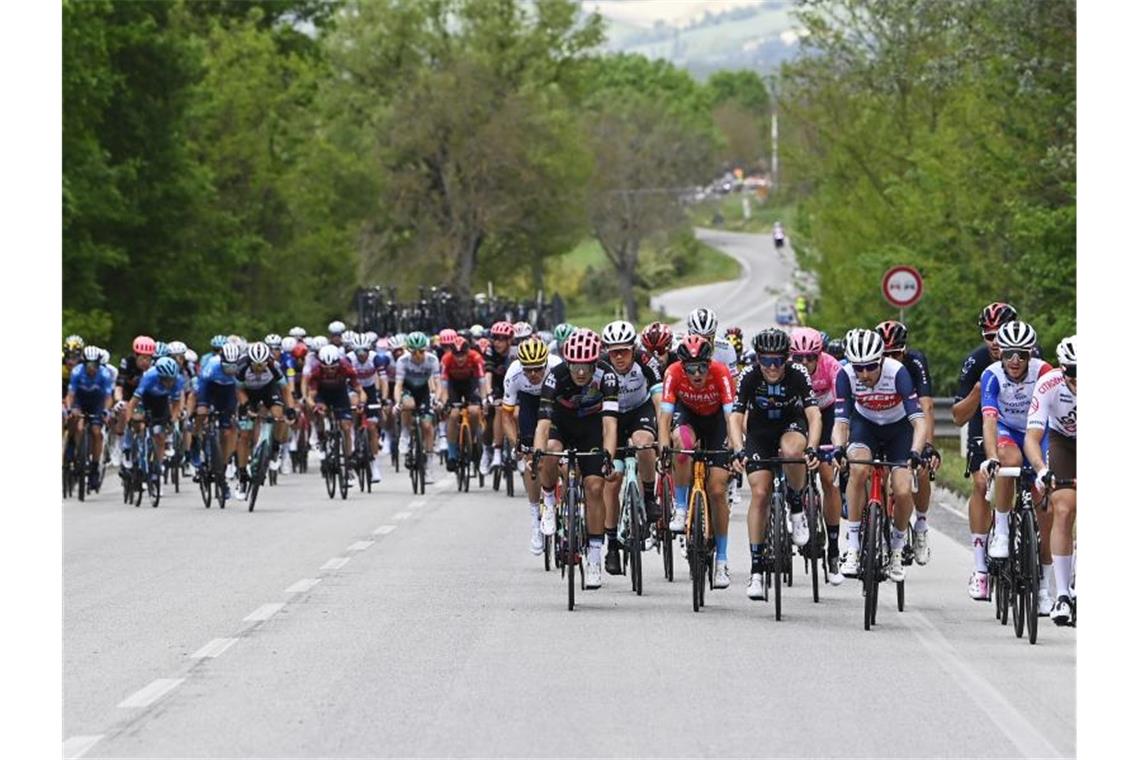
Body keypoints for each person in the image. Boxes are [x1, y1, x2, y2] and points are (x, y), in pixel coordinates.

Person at [832, 329, 928, 584]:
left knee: (904, 489)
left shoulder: (897, 372)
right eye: (858, 367)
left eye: (871, 367)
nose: (864, 374)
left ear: (882, 360)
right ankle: (852, 546)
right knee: (858, 470)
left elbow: (919, 421)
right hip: (866, 426)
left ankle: (896, 549)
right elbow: (841, 422)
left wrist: (916, 452)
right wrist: (839, 448)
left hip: (899, 429)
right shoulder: (844, 375)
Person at [731, 329, 821, 599]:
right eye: (765, 361)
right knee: (759, 493)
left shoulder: (798, 374)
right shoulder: (749, 375)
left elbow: (814, 416)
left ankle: (796, 506)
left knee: (793, 450)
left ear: (786, 359)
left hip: (790, 425)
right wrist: (737, 449)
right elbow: (735, 417)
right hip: (759, 432)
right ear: (757, 358)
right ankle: (756, 570)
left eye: (777, 361)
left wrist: (813, 447)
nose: (771, 367)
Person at [532, 329, 619, 589]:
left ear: (595, 363)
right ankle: (548, 499)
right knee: (549, 448)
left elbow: (610, 425)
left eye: (586, 367)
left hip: (591, 429)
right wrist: (538, 451)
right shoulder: (554, 377)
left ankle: (594, 557)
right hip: (561, 424)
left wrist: (608, 457)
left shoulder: (608, 376)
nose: (580, 373)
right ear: (568, 362)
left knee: (594, 487)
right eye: (575, 366)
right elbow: (543, 424)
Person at [978, 320, 1054, 613]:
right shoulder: (991, 375)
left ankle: (1045, 588)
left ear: (1030, 354)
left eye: (1022, 354)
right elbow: (989, 420)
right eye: (1009, 353)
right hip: (1008, 430)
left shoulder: (1044, 372)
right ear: (1001, 353)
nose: (1015, 361)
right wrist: (991, 457)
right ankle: (1001, 531)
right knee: (1010, 461)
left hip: (1040, 432)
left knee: (1045, 509)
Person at [951, 302, 1021, 597]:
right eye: (988, 335)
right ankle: (980, 568)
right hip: (986, 424)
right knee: (981, 483)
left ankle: (1027, 535)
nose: (994, 342)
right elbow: (957, 416)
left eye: (999, 334)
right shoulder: (976, 360)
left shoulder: (1030, 354)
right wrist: (977, 393)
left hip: (1022, 425)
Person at [660, 335, 740, 589]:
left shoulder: (721, 372)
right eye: (690, 368)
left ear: (709, 363)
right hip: (689, 418)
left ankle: (722, 562)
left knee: (717, 490)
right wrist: (664, 446)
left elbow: (731, 418)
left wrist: (735, 447)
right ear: (682, 366)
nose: (696, 374)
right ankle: (681, 506)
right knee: (681, 445)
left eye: (701, 367)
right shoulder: (673, 372)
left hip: (717, 423)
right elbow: (664, 417)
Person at [599, 320, 663, 575]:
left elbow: (660, 401)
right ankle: (612, 545)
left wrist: (664, 434)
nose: (619, 356)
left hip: (639, 411)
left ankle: (648, 497)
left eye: (624, 351)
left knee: (644, 444)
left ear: (633, 349)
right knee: (612, 479)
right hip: (610, 415)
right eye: (614, 351)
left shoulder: (647, 361)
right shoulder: (601, 366)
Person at [875, 320, 939, 565]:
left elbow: (927, 406)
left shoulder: (914, 362)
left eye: (896, 353)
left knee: (920, 468)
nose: (891, 358)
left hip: (908, 423)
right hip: (879, 421)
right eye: (885, 354)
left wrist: (928, 446)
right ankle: (873, 520)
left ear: (904, 350)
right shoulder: (869, 365)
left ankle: (921, 526)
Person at [1024, 335, 1076, 625]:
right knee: (1064, 508)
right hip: (1063, 441)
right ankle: (1063, 595)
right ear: (1062, 368)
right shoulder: (1049, 384)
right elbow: (1032, 438)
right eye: (1073, 373)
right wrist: (1042, 469)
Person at [789, 327, 844, 583]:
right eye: (798, 358)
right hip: (798, 414)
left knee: (828, 478)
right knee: (791, 457)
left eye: (810, 357)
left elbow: (845, 405)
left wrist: (839, 444)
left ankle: (833, 550)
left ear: (819, 355)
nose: (804, 363)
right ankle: (792, 505)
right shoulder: (787, 369)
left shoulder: (832, 367)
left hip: (828, 414)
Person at [501, 337, 562, 554]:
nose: (534, 374)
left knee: (558, 451)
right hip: (529, 404)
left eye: (538, 369)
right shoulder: (514, 374)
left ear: (546, 363)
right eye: (529, 370)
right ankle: (536, 521)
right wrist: (515, 442)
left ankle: (566, 499)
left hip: (555, 402)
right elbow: (506, 416)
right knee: (531, 462)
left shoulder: (557, 367)